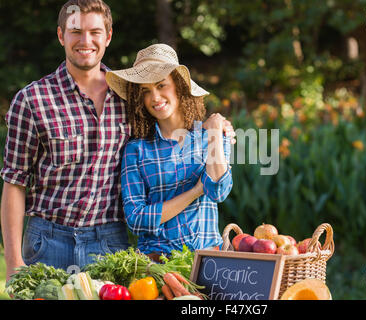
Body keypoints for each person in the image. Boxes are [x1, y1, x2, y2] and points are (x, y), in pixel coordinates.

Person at [0, 0, 235, 282]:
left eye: (95, 32)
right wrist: (13, 260)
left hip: (109, 243)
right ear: (61, 35)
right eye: (75, 31)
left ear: (108, 37)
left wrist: (215, 127)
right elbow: (14, 182)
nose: (85, 41)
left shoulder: (128, 99)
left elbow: (172, 129)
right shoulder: (32, 100)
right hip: (49, 240)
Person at [105, 43, 233, 260]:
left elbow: (219, 190)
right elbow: (136, 219)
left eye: (161, 85)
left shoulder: (211, 135)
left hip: (209, 260)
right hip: (156, 263)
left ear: (179, 87)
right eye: (146, 91)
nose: (154, 97)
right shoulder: (136, 150)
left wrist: (213, 135)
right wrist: (195, 191)